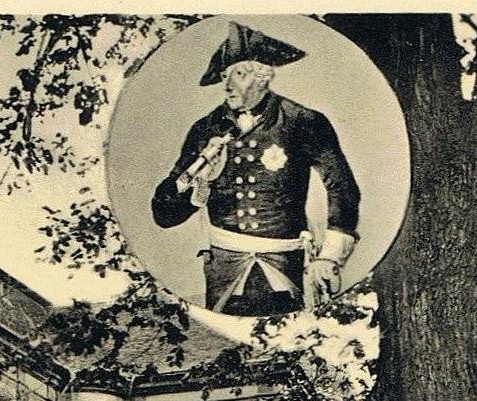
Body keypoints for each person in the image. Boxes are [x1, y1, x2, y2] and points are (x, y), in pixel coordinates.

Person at [152, 21, 361, 316]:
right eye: (224, 76)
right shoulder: (205, 129)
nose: (227, 85)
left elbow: (342, 188)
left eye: (239, 74)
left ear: (263, 76)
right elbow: (164, 215)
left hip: (284, 267)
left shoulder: (302, 120)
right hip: (224, 273)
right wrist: (201, 181)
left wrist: (329, 257)